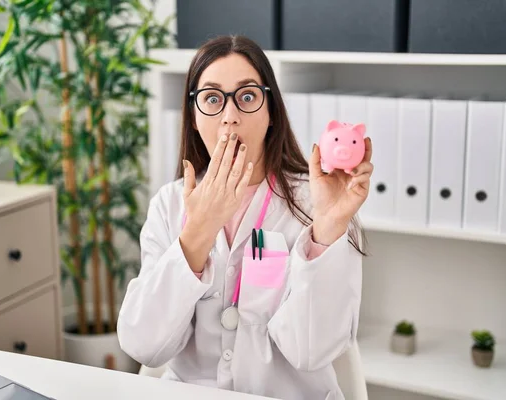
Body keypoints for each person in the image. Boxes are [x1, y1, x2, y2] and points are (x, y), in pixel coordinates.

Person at [117, 35, 373, 400]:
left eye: (248, 96)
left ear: (271, 113)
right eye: (211, 99)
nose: (230, 116)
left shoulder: (319, 200)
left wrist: (328, 230)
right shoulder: (169, 205)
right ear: (192, 117)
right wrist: (198, 233)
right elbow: (143, 344)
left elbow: (310, 350)